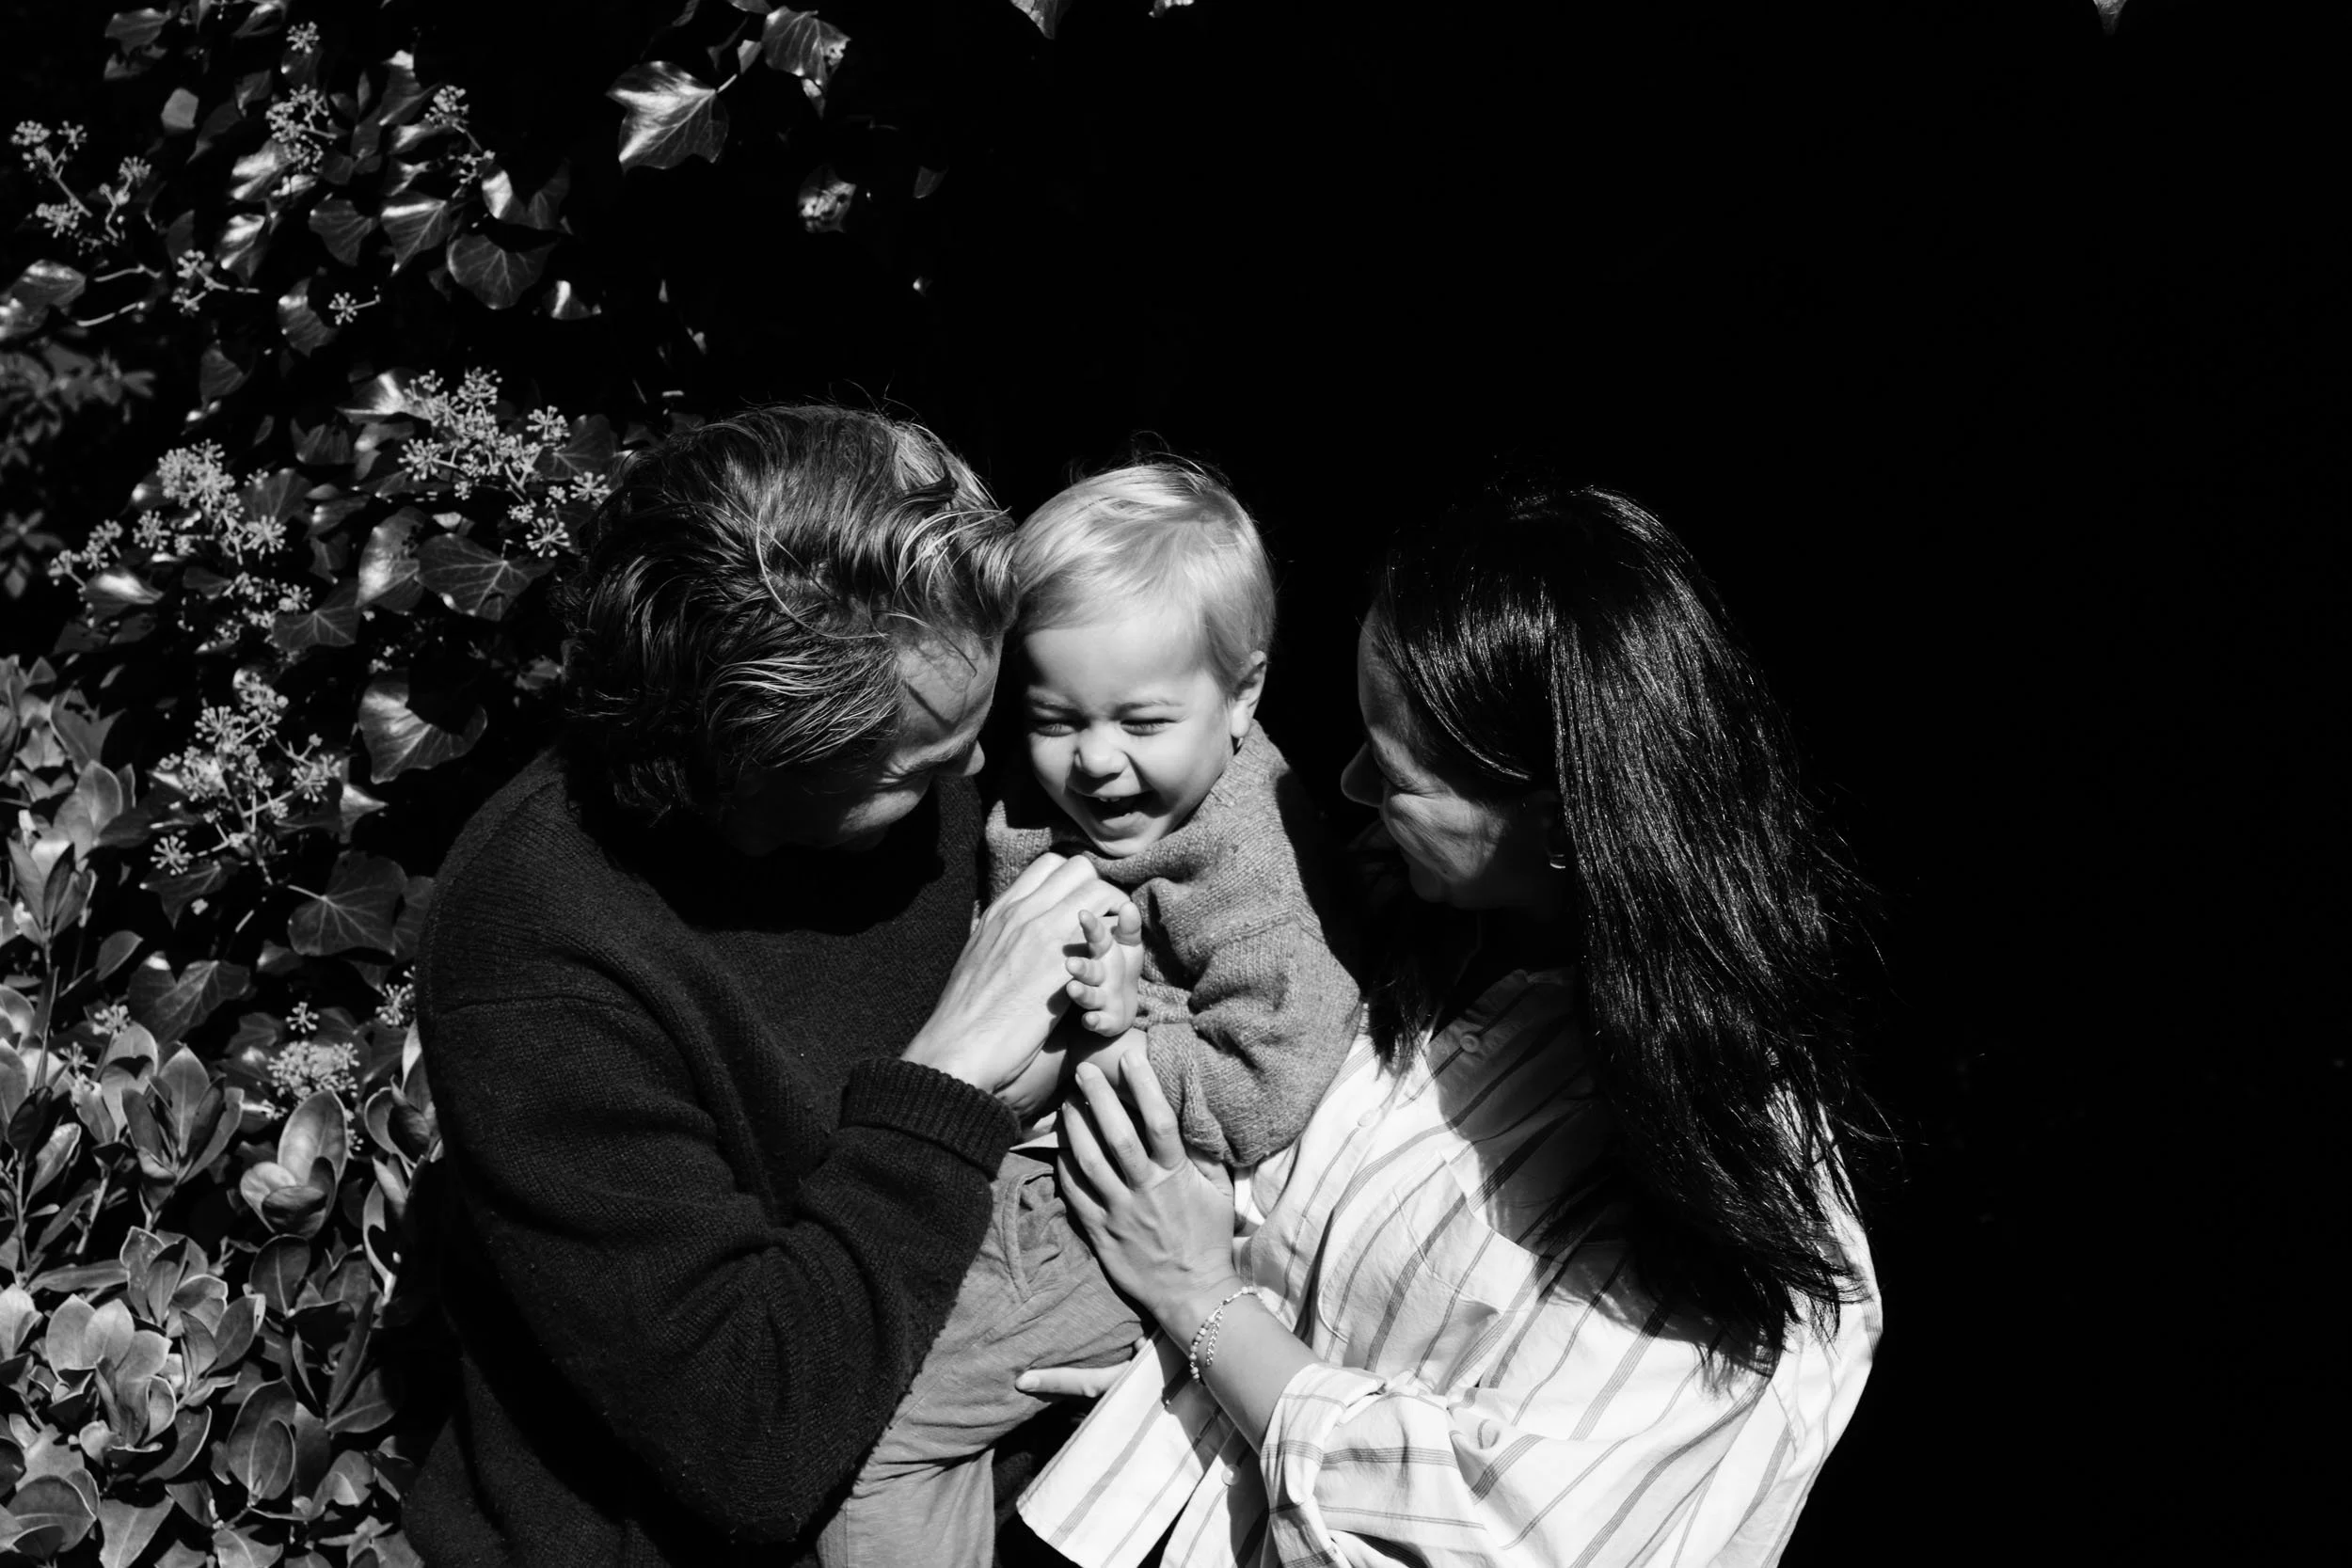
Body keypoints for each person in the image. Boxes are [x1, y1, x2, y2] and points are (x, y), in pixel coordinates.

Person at [1018, 475, 1883, 1567]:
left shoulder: (1737, 1211)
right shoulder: (1387, 922)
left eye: (1398, 770)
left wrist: (1202, 1304)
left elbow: (1505, 1532)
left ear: (1561, 818)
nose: (1348, 780)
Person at [406, 404, 1137, 1568]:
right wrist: (945, 1083)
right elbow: (750, 1442)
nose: (987, 776)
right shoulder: (536, 950)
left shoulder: (935, 731)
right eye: (921, 767)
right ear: (751, 757)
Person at [820, 463, 1363, 1566]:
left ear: (1246, 693)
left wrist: (1125, 1036)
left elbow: (1272, 1070)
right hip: (1035, 1184)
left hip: (1100, 1210)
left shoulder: (1248, 870)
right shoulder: (1098, 794)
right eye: (1055, 718)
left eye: (1142, 720)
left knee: (864, 1435)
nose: (1095, 761)